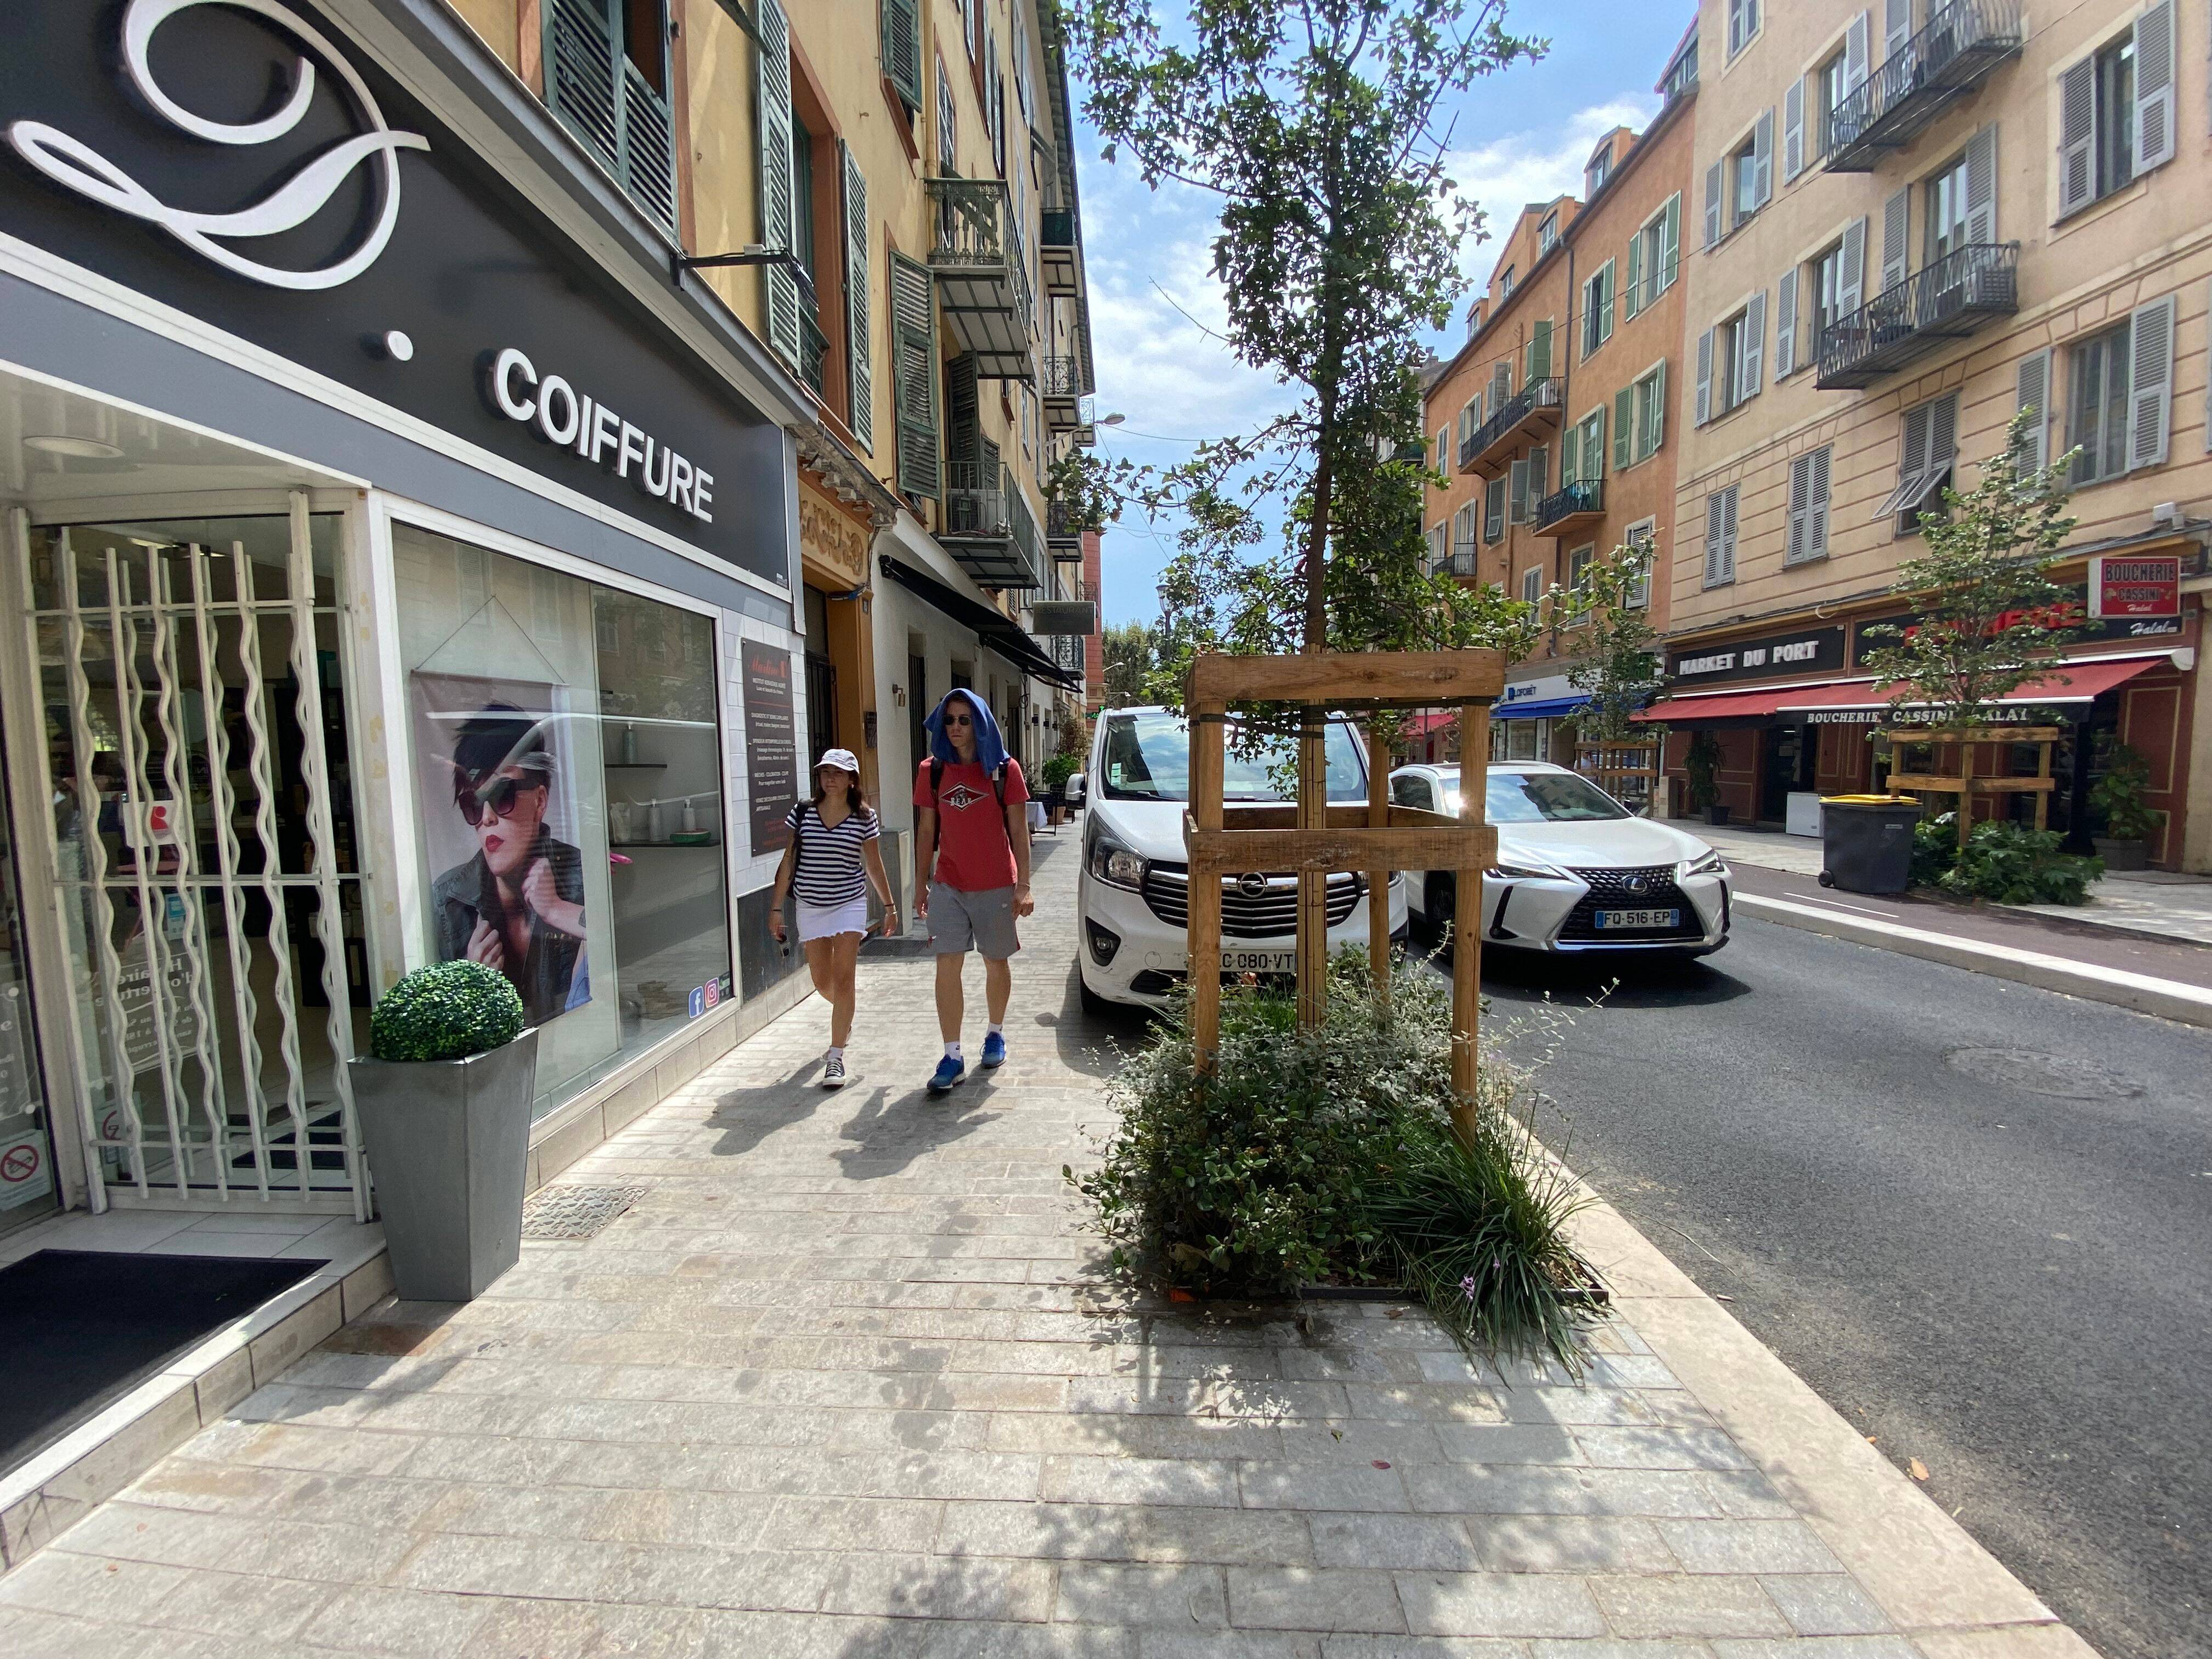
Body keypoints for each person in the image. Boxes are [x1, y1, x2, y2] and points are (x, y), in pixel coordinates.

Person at [430, 704, 586, 1025]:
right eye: (472, 804)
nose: (487, 817)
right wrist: (473, 987)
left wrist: (556, 910)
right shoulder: (449, 899)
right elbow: (441, 1027)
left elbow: (627, 949)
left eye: (502, 795)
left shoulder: (583, 876)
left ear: (540, 801)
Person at [913, 690, 1032, 1093]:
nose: (957, 728)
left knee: (995, 962)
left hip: (996, 883)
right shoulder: (932, 770)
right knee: (947, 964)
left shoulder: (1003, 770)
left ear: (980, 723)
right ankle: (951, 1055)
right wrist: (921, 883)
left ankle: (995, 1032)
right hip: (949, 883)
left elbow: (1019, 830)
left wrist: (1025, 886)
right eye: (950, 720)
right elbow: (927, 831)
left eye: (965, 720)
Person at [768, 748, 896, 1088]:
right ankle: (846, 1015)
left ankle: (836, 1056)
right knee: (822, 982)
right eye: (826, 772)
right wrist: (775, 907)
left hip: (849, 905)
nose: (830, 778)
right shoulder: (803, 812)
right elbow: (789, 861)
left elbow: (873, 864)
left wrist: (889, 907)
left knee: (844, 979)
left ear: (852, 779)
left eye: (838, 773)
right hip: (810, 905)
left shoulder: (864, 817)